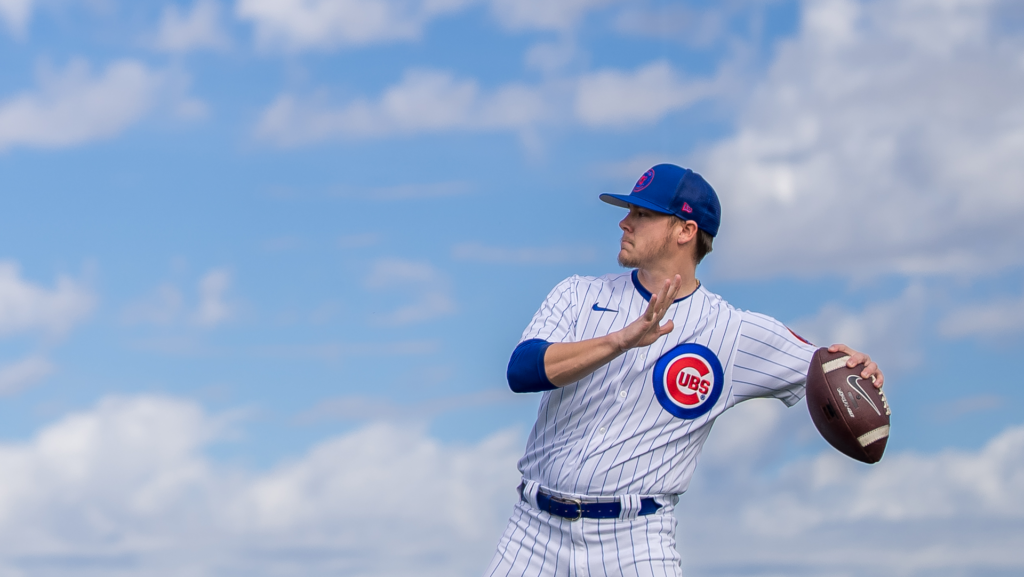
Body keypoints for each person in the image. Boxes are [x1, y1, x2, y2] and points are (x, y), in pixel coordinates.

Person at [484, 164, 883, 576]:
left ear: (685, 231)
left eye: (642, 214)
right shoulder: (579, 294)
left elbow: (827, 368)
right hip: (532, 532)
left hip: (635, 542)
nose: (625, 222)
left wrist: (857, 366)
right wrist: (619, 340)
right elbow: (522, 370)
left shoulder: (732, 332)